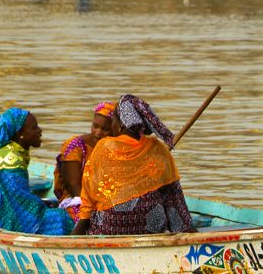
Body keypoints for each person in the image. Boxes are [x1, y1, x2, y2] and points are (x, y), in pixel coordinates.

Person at [71, 95, 195, 236]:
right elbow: (173, 195)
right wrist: (186, 229)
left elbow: (89, 195)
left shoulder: (104, 147)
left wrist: (77, 231)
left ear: (121, 125)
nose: (112, 126)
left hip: (112, 227)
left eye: (113, 121)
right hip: (152, 226)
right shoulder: (157, 148)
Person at [0, 108, 74, 235]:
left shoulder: (12, 151)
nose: (40, 131)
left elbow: (18, 196)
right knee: (61, 218)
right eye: (34, 128)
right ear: (20, 134)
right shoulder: (12, 160)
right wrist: (44, 207)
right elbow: (20, 201)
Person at [52, 101, 114, 222]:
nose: (98, 132)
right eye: (95, 126)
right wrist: (93, 206)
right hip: (75, 198)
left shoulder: (114, 146)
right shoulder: (75, 146)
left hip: (103, 198)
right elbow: (72, 185)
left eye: (105, 129)